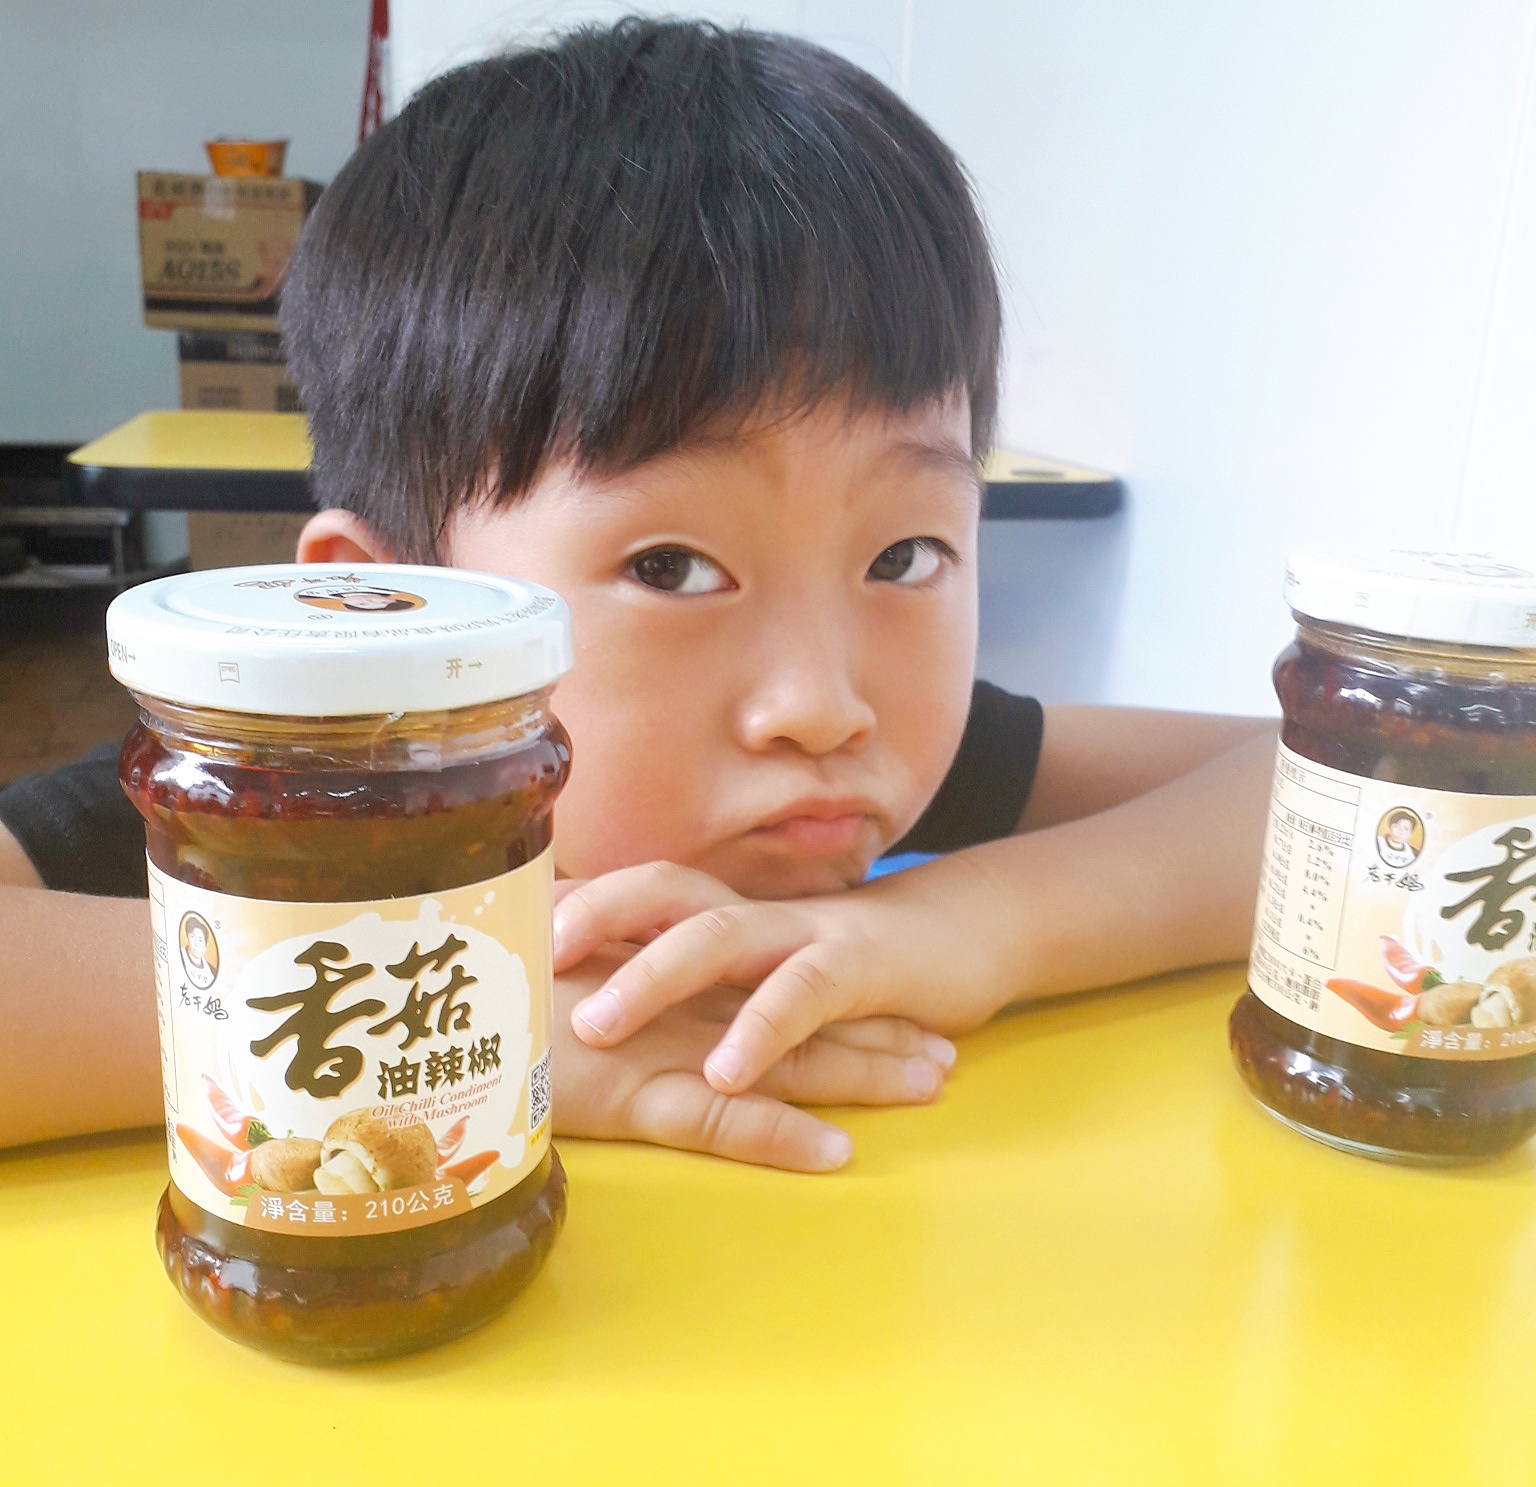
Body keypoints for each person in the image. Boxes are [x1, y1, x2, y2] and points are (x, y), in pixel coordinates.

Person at [0, 18, 1273, 1168]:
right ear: (388, 616)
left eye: (903, 557)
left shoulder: (840, 781)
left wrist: (966, 925)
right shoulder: (266, 812)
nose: (822, 704)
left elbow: (1313, 789)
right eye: (670, 568)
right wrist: (471, 1016)